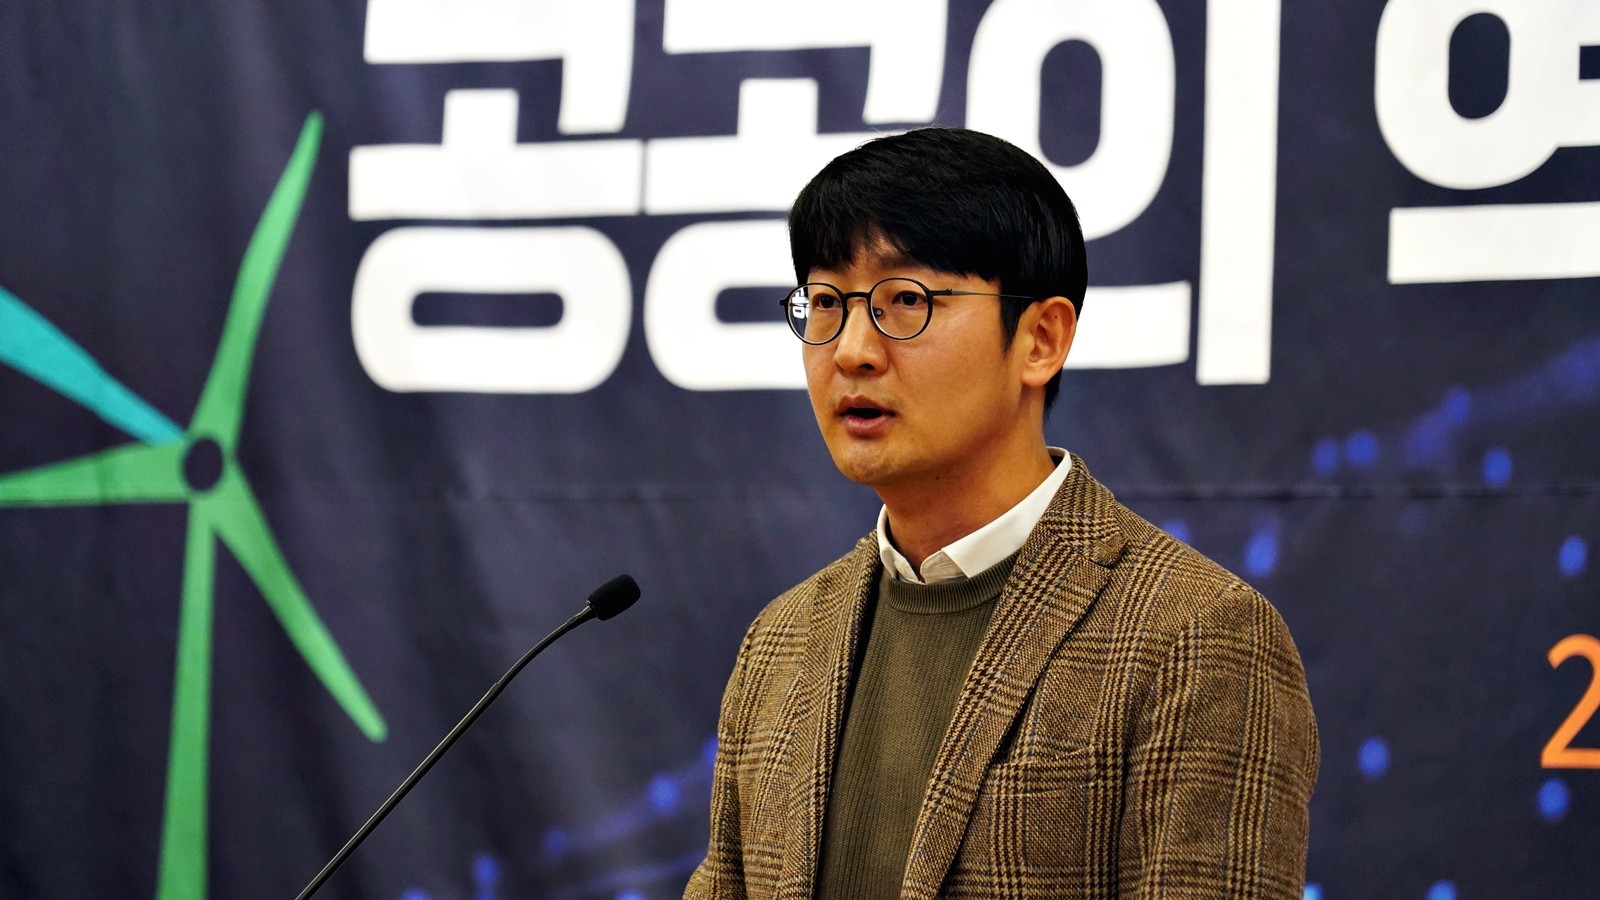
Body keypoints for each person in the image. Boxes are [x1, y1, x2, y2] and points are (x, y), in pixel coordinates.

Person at [684, 128, 1317, 900]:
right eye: (825, 304)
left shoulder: (1196, 636)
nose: (850, 350)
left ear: (1041, 340)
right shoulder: (781, 642)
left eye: (905, 301)